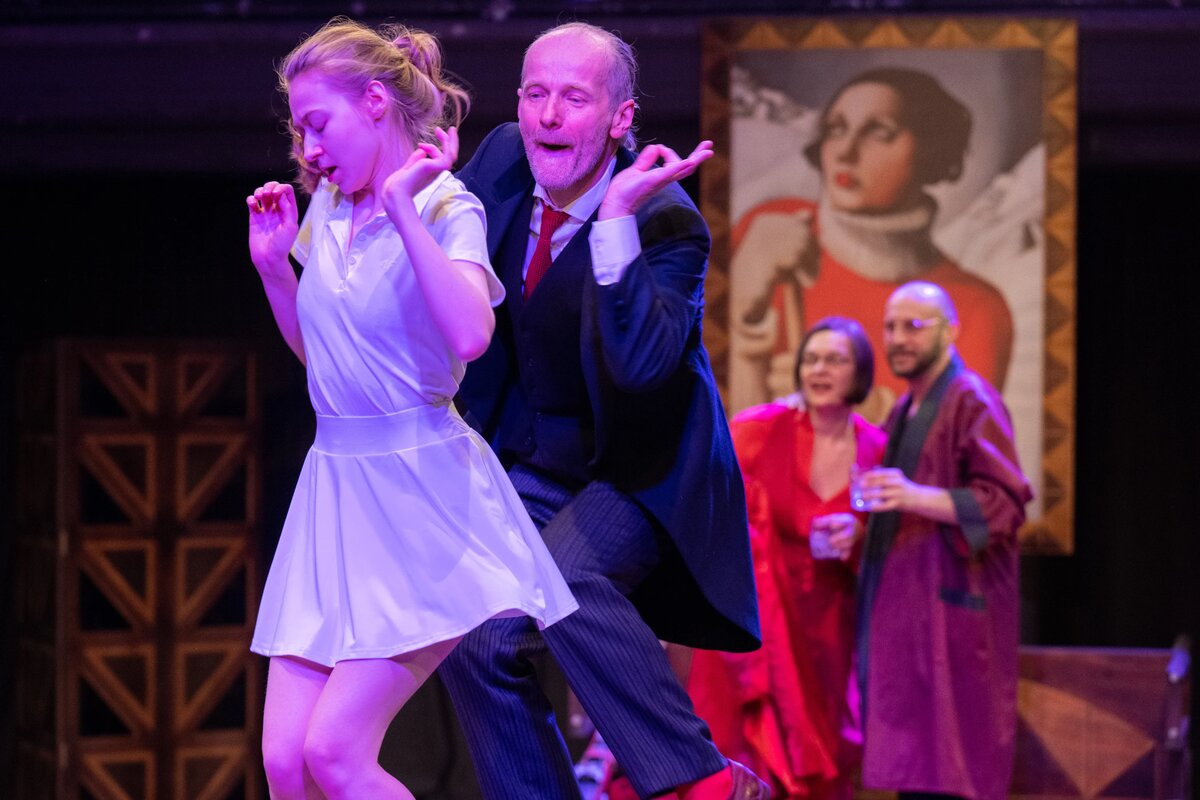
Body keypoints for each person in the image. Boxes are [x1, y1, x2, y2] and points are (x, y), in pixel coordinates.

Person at [244, 18, 577, 799]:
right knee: (286, 763)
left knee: (335, 754)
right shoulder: (327, 208)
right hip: (336, 492)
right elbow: (329, 363)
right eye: (300, 131)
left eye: (318, 124)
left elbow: (470, 336)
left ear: (373, 102)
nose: (309, 149)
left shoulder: (445, 206)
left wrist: (402, 204)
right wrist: (275, 271)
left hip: (421, 497)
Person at [437, 21, 770, 800]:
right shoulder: (502, 160)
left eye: (573, 98)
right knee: (475, 636)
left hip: (640, 470)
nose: (548, 115)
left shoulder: (667, 222)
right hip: (535, 458)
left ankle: (704, 780)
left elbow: (644, 369)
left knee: (568, 577)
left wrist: (614, 219)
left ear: (621, 119)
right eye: (535, 94)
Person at [728, 67, 1013, 419]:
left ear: (929, 150)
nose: (845, 152)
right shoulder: (768, 230)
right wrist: (742, 306)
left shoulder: (974, 308)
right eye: (836, 129)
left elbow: (955, 443)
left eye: (879, 132)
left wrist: (865, 406)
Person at [687, 317, 887, 800]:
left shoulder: (875, 447)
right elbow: (707, 499)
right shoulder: (761, 428)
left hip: (828, 619)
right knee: (746, 740)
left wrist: (860, 536)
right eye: (811, 359)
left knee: (821, 739)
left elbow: (889, 538)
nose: (819, 370)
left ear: (859, 372)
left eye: (835, 360)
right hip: (757, 615)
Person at [853, 281, 1033, 800]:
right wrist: (857, 530)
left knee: (952, 764)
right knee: (918, 770)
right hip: (909, 614)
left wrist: (914, 495)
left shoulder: (971, 399)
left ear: (950, 331)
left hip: (952, 613)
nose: (898, 338)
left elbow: (1004, 501)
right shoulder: (905, 409)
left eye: (913, 326)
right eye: (890, 327)